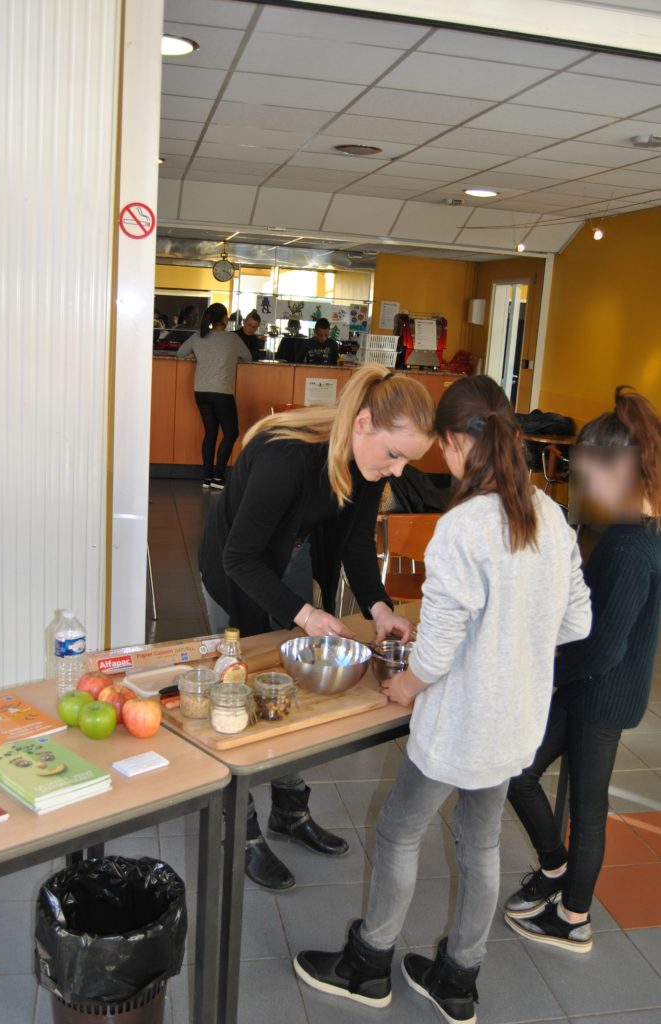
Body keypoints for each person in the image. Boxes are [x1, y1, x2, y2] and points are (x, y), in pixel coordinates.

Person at [294, 375, 591, 1022]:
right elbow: (575, 625)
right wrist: (516, 629)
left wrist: (408, 683)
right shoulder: (550, 516)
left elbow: (438, 647)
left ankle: (368, 965)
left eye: (441, 449)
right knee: (478, 844)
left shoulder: (463, 527)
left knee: (400, 832)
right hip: (515, 722)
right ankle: (458, 979)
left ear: (458, 441)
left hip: (460, 723)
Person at [199, 365, 436, 890]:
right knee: (241, 693)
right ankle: (242, 831)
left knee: (290, 689)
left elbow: (353, 544)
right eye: (395, 455)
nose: (399, 472)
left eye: (408, 461)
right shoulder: (289, 456)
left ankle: (288, 809)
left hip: (289, 556)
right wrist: (305, 615)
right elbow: (240, 557)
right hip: (236, 569)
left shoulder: (367, 465)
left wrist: (379, 609)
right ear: (364, 424)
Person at [504, 387, 661, 953]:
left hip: (599, 692)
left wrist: (550, 670)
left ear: (622, 467)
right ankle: (553, 869)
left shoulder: (628, 545)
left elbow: (604, 647)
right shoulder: (641, 530)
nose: (581, 484)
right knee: (519, 771)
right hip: (594, 689)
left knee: (588, 810)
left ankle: (573, 916)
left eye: (588, 472)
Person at [177, 303, 251, 490]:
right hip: (221, 392)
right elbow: (248, 357)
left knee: (211, 433)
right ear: (225, 319)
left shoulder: (198, 336)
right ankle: (219, 478)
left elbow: (180, 353)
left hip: (201, 391)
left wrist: (198, 355)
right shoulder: (232, 338)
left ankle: (207, 478)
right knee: (231, 433)